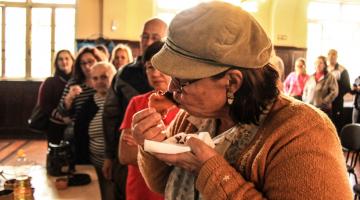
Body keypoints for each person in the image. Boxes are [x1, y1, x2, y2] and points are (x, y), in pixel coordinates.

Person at [131, 2, 352, 199]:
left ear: (232, 83)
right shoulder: (191, 118)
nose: (171, 88)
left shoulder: (303, 132)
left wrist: (211, 170)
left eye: (183, 80)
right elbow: (162, 185)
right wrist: (150, 146)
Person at [102, 18, 167, 200]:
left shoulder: (184, 99)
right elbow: (110, 115)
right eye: (144, 37)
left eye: (154, 37)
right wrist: (109, 155)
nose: (148, 42)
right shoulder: (124, 74)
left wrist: (144, 143)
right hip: (129, 168)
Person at [119, 41, 179, 200]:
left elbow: (198, 159)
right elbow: (125, 155)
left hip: (175, 191)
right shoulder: (137, 103)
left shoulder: (190, 107)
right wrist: (174, 147)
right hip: (140, 191)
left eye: (160, 66)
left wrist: (143, 143)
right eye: (149, 67)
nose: (154, 73)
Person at [57, 46, 107, 164]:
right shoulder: (74, 82)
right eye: (83, 63)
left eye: (90, 62)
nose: (87, 66)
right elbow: (62, 111)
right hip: (80, 134)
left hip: (104, 133)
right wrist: (69, 98)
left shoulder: (106, 80)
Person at [75, 62, 117, 200]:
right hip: (93, 166)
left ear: (114, 77)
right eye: (95, 78)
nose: (99, 82)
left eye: (104, 77)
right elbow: (80, 139)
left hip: (117, 167)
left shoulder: (121, 103)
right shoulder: (87, 106)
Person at [36, 49, 74, 144]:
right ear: (56, 63)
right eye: (60, 59)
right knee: (56, 156)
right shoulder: (50, 82)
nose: (64, 61)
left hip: (75, 126)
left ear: (72, 61)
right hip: (56, 126)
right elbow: (44, 104)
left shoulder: (78, 81)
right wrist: (63, 117)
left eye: (67, 58)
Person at [327, 49, 351, 132]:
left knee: (336, 123)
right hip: (324, 102)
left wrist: (335, 94)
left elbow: (347, 87)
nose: (331, 57)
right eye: (330, 55)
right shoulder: (324, 69)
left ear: (337, 57)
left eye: (334, 55)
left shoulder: (342, 70)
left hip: (337, 101)